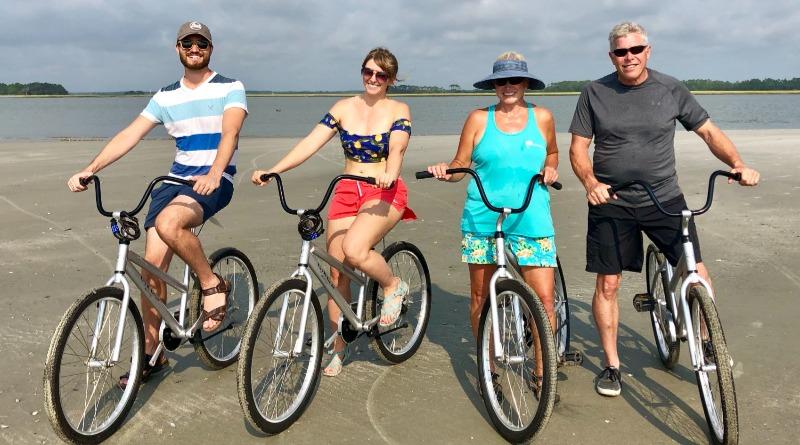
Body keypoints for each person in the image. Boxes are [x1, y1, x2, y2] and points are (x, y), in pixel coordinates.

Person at [568, 21, 760, 397]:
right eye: (621, 52)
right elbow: (578, 148)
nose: (629, 57)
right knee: (608, 283)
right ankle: (611, 365)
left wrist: (738, 164)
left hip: (665, 198)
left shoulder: (670, 88)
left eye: (636, 50)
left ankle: (708, 341)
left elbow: (708, 131)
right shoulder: (594, 92)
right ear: (612, 56)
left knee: (696, 271)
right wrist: (591, 183)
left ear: (648, 51)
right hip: (612, 201)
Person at [67, 21, 248, 386]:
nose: (194, 48)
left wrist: (215, 172)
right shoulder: (165, 96)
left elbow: (230, 132)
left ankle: (212, 284)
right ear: (177, 48)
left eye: (201, 43)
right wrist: (90, 168)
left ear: (210, 48)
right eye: (187, 43)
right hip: (173, 182)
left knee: (169, 223)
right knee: (151, 270)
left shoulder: (231, 87)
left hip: (213, 180)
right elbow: (130, 134)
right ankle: (153, 352)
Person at [251, 47, 414, 377]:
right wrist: (273, 170)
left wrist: (391, 172)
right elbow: (310, 143)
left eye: (381, 75)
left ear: (391, 79)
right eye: (368, 71)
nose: (373, 78)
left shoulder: (399, 109)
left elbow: (397, 148)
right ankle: (340, 346)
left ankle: (392, 284)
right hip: (346, 190)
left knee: (355, 250)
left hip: (383, 190)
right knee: (337, 272)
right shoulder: (343, 108)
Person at [425, 51, 559, 396]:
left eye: (514, 80)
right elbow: (460, 165)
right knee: (480, 296)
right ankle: (489, 369)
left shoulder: (543, 117)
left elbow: (553, 152)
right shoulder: (477, 119)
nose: (508, 86)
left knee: (544, 300)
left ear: (525, 83)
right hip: (483, 216)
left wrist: (551, 167)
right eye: (501, 81)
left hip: (531, 214)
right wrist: (445, 171)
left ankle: (543, 374)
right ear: (494, 85)